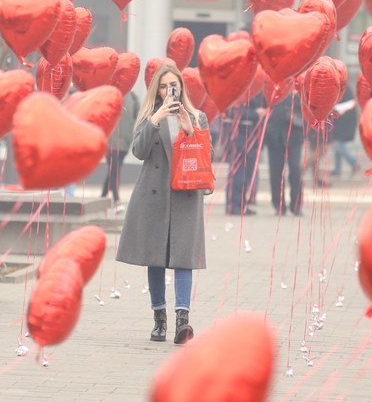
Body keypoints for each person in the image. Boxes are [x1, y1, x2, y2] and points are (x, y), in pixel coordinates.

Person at [116, 63, 211, 345]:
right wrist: (155, 119)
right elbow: (138, 151)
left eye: (175, 84)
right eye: (165, 85)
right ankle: (160, 319)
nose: (171, 89)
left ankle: (183, 321)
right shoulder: (148, 117)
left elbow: (208, 155)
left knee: (184, 259)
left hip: (185, 196)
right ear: (156, 89)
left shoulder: (197, 116)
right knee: (155, 258)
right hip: (154, 196)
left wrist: (190, 131)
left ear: (181, 86)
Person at [223, 92, 265, 216]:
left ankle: (241, 203)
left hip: (251, 135)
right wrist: (255, 114)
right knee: (238, 171)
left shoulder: (255, 89)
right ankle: (234, 204)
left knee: (246, 172)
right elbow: (234, 111)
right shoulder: (237, 90)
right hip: (239, 135)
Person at [264, 90, 304, 216]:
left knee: (295, 169)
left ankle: (296, 204)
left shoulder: (299, 90)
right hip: (274, 135)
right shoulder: (271, 88)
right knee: (276, 171)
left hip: (295, 135)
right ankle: (279, 204)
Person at [101, 91, 140, 207]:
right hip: (111, 143)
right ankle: (116, 198)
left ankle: (102, 196)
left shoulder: (133, 97)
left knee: (113, 170)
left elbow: (137, 117)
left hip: (125, 142)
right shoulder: (110, 95)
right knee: (114, 170)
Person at [330, 83, 361, 177]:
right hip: (342, 120)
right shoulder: (342, 87)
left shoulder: (341, 88)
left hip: (344, 120)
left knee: (338, 144)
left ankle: (354, 162)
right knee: (337, 143)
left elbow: (342, 106)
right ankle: (337, 168)